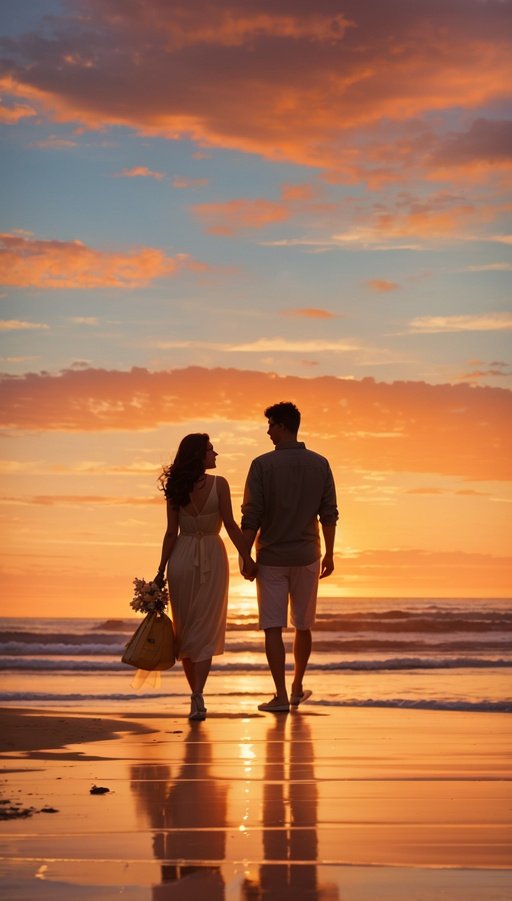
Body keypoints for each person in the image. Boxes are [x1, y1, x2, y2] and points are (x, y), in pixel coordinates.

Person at [241, 402, 338, 713]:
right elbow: (329, 512)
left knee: (272, 626)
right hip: (308, 553)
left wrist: (244, 554)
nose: (268, 431)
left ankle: (281, 695)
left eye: (270, 425)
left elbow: (251, 515)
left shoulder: (261, 465)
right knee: (303, 625)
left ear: (282, 426)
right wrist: (331, 553)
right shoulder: (320, 463)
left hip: (271, 555)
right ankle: (296, 687)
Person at [155, 434, 256, 721]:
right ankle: (198, 695)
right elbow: (232, 525)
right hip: (212, 554)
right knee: (205, 630)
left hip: (181, 558)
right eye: (211, 450)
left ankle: (195, 696)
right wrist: (247, 557)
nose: (216, 454)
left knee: (187, 630)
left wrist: (161, 569)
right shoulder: (220, 484)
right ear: (199, 455)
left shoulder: (177, 487)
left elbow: (170, 534)